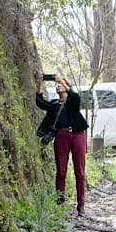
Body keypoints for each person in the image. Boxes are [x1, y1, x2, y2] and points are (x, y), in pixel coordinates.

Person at [35, 75, 90, 215]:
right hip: (61, 137)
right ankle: (59, 201)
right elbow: (40, 102)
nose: (58, 85)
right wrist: (41, 82)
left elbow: (75, 96)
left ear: (67, 86)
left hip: (78, 135)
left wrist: (64, 81)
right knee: (61, 171)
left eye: (61, 84)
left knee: (80, 172)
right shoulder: (54, 105)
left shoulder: (73, 101)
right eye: (57, 84)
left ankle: (81, 205)